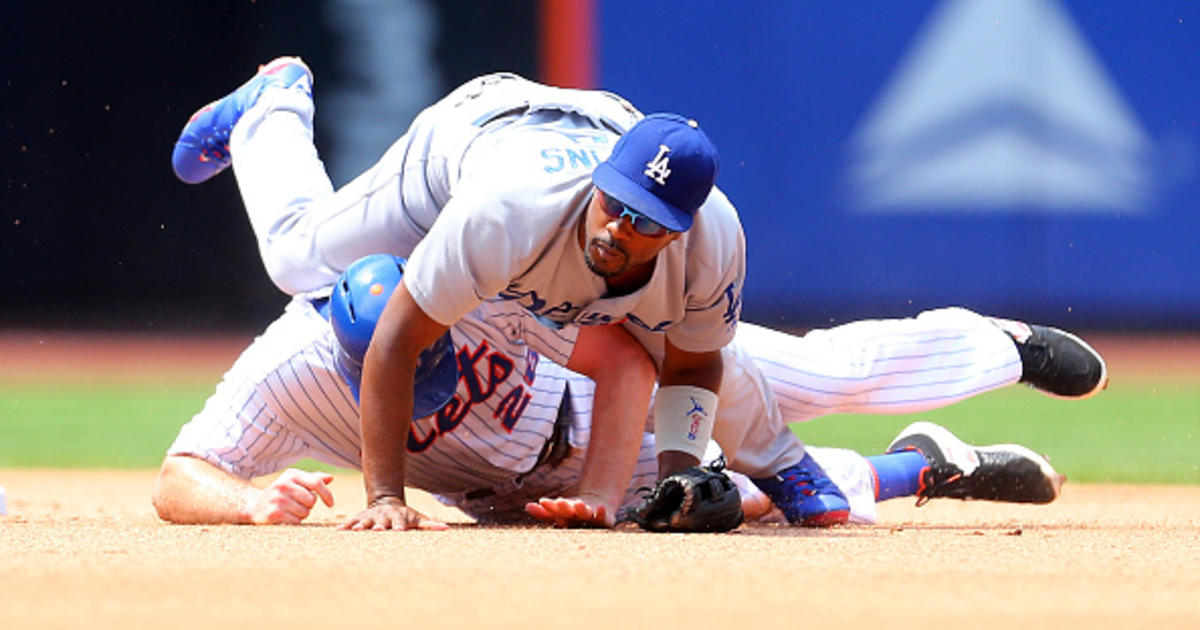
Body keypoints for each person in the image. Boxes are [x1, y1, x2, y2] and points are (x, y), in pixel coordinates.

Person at [169, 56, 819, 528]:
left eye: (648, 218)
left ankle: (810, 466)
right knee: (294, 258)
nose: (624, 224)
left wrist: (681, 471)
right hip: (474, 138)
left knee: (724, 353)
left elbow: (694, 361)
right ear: (601, 182)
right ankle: (273, 102)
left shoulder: (716, 238)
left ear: (684, 228)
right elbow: (395, 339)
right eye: (617, 203)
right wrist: (387, 498)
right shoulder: (506, 210)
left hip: (599, 130)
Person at [151, 254, 1095, 529]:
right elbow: (181, 470)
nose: (428, 372)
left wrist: (607, 491)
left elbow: (629, 355)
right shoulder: (292, 365)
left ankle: (997, 347)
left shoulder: (466, 283)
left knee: (820, 376)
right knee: (740, 507)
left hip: (619, 398)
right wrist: (246, 503)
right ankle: (923, 469)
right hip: (514, 496)